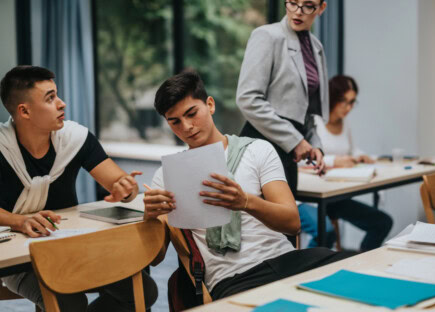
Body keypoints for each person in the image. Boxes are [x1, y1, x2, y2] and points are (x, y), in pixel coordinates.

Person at [144, 72, 354, 300]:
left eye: (191, 114)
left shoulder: (257, 150)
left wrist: (245, 202)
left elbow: (292, 224)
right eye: (175, 122)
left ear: (210, 105)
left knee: (356, 273)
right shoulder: (167, 175)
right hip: (233, 279)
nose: (186, 127)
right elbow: (155, 259)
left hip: (287, 261)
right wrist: (149, 219)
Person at [0, 66, 157, 311]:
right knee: (67, 302)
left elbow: (118, 181)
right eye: (50, 98)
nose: (62, 103)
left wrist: (126, 187)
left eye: (57, 95)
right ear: (24, 111)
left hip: (74, 248)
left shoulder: (75, 138)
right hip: (21, 258)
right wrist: (20, 221)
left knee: (144, 291)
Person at [236, 0, 329, 195]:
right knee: (263, 227)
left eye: (308, 6)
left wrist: (314, 144)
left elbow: (307, 110)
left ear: (321, 8)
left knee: (287, 227)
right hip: (260, 144)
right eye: (292, 3)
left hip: (289, 148)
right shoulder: (267, 36)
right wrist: (296, 141)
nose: (298, 12)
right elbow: (247, 99)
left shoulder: (316, 47)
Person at [299, 76, 393, 251]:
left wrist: (361, 156)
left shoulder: (344, 123)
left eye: (352, 102)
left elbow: (350, 150)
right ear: (332, 98)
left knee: (382, 222)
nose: (348, 107)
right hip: (309, 197)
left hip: (333, 196)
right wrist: (335, 160)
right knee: (326, 233)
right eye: (344, 101)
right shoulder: (313, 122)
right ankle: (308, 266)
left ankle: (361, 263)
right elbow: (303, 158)